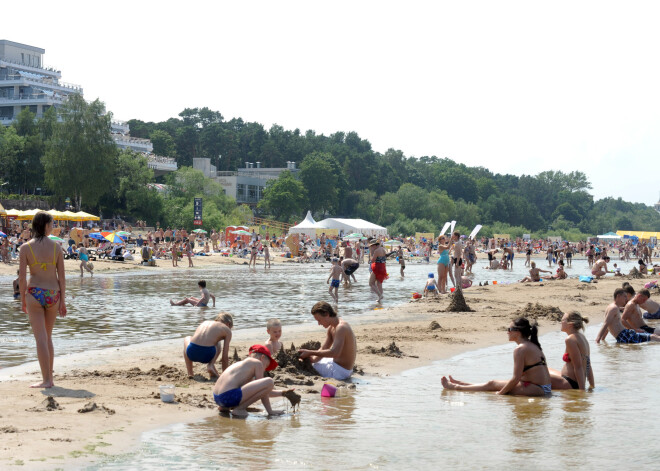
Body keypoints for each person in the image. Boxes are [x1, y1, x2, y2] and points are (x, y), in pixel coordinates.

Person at [441, 317, 552, 396]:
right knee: (492, 384)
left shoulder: (520, 349)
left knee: (492, 384)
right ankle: (463, 384)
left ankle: (456, 388)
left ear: (517, 332)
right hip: (544, 388)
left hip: (538, 390)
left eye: (509, 329)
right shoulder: (532, 344)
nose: (507, 332)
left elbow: (516, 378)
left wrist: (500, 394)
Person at [18, 212, 67, 388]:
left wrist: (23, 299)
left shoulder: (25, 248)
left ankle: (46, 380)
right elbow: (62, 277)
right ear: (45, 226)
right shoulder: (57, 247)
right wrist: (63, 301)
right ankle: (50, 379)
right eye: (51, 224)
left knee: (40, 338)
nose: (53, 227)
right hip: (53, 294)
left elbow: (22, 278)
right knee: (48, 337)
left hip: (34, 292)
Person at [212, 344, 291, 417]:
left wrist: (283, 393)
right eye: (266, 366)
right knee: (269, 382)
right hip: (229, 396)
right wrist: (270, 411)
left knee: (266, 384)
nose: (264, 370)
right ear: (262, 358)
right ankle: (240, 409)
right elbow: (265, 391)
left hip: (218, 398)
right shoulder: (258, 363)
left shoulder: (241, 366)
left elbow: (262, 392)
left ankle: (224, 408)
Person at [299, 301, 356, 380]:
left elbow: (335, 353)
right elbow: (324, 348)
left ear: (326, 314)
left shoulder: (341, 327)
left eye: (319, 320)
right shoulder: (331, 327)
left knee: (308, 367)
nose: (319, 324)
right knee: (315, 361)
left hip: (340, 372)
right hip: (337, 365)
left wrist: (311, 352)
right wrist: (314, 359)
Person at [549, 312, 594, 390]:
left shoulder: (570, 339)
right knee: (544, 368)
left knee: (534, 374)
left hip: (569, 383)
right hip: (572, 381)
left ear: (570, 324)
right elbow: (588, 364)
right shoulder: (582, 338)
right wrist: (592, 386)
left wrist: (582, 391)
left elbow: (578, 366)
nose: (560, 322)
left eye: (562, 320)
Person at [596, 288, 660, 343]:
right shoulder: (614, 308)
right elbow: (606, 324)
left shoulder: (612, 307)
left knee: (654, 337)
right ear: (618, 296)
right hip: (623, 336)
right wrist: (598, 340)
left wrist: (603, 340)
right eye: (625, 296)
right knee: (653, 337)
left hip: (626, 334)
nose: (626, 299)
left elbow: (608, 324)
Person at [183, 312, 233, 378]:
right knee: (218, 342)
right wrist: (225, 376)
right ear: (228, 324)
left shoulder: (205, 322)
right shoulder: (226, 330)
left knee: (188, 338)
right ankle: (211, 365)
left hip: (191, 353)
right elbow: (225, 357)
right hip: (207, 354)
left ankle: (190, 373)